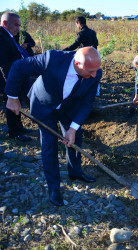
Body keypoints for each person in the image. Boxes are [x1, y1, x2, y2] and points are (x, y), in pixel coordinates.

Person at [5, 47, 102, 207]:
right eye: (91, 71)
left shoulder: (95, 72)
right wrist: (12, 96)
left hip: (69, 107)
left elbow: (87, 102)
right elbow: (19, 66)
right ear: (77, 63)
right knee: (49, 145)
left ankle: (75, 171)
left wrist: (73, 128)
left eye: (96, 70)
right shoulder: (52, 59)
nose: (94, 75)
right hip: (44, 106)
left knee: (75, 136)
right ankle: (54, 187)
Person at [0, 12, 32, 142]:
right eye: (15, 25)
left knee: (17, 101)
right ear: (5, 23)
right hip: (7, 78)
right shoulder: (1, 36)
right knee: (11, 103)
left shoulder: (8, 35)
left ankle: (19, 127)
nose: (18, 28)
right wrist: (10, 84)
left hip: (14, 77)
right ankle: (14, 132)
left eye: (19, 25)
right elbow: (3, 63)